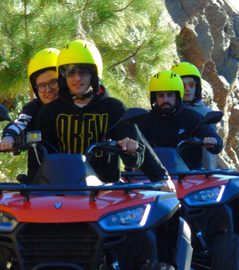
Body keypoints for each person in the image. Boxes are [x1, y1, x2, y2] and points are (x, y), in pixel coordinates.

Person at [35, 39, 174, 191]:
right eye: (70, 72)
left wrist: (161, 177)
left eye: (84, 71)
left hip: (106, 195)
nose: (77, 78)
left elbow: (139, 154)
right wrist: (31, 190)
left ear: (95, 74)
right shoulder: (49, 112)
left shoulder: (114, 108)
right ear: (62, 76)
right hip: (60, 194)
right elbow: (37, 160)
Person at [137, 70, 223, 170]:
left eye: (170, 95)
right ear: (154, 98)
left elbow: (217, 141)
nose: (165, 100)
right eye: (161, 95)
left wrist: (212, 142)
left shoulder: (193, 118)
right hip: (149, 179)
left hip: (188, 179)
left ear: (177, 97)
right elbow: (127, 141)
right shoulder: (144, 120)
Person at [0, 48, 60, 183]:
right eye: (42, 85)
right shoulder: (33, 108)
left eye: (53, 82)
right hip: (40, 183)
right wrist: (9, 136)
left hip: (82, 181)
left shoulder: (79, 106)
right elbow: (20, 123)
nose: (48, 89)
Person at [170, 62, 218, 169]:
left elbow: (208, 154)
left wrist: (208, 175)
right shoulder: (166, 111)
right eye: (183, 85)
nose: (188, 89)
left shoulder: (205, 114)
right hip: (168, 168)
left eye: (191, 85)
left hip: (194, 173)